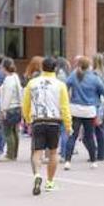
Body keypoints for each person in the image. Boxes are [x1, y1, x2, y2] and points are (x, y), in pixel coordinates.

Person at [23, 55, 73, 195]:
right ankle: (50, 181)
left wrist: (27, 118)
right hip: (54, 121)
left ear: (41, 67)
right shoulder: (60, 85)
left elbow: (25, 103)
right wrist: (68, 125)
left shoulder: (32, 83)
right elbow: (64, 107)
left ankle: (37, 174)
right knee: (53, 152)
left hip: (38, 119)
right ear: (55, 68)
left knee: (37, 151)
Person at [65, 56, 104, 170]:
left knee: (72, 136)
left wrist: (67, 99)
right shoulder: (94, 78)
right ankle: (93, 161)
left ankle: (67, 161)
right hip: (89, 110)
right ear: (89, 66)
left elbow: (65, 86)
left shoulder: (74, 75)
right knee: (89, 136)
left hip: (75, 108)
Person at [0, 58, 23, 160]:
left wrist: (3, 109)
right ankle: (15, 153)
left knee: (8, 132)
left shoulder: (8, 79)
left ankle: (10, 154)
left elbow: (7, 95)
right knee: (15, 131)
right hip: (17, 107)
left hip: (10, 108)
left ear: (4, 67)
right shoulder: (15, 77)